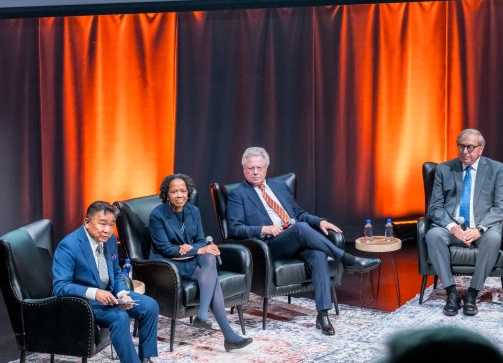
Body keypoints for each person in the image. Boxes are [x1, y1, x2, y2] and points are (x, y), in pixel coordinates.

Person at [226, 146, 380, 336]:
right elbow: (234, 229)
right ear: (244, 169)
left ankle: (323, 315)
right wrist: (263, 229)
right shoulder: (238, 194)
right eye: (251, 168)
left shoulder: (279, 186)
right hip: (269, 247)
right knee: (299, 228)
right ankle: (347, 259)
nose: (255, 172)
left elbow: (299, 214)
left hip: (295, 238)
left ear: (266, 167)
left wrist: (320, 221)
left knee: (318, 253)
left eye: (259, 167)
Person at [148, 173, 253, 351]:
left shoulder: (193, 211)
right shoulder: (157, 215)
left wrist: (195, 248)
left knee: (210, 256)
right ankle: (226, 335)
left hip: (189, 259)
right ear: (166, 194)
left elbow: (201, 239)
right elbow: (164, 248)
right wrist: (195, 249)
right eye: (174, 191)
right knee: (212, 275)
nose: (179, 195)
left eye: (183, 191)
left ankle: (204, 316)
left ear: (188, 193)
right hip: (168, 265)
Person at [53, 201, 160, 363]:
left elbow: (116, 271)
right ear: (87, 222)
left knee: (150, 306)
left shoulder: (110, 240)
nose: (108, 230)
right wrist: (94, 293)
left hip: (110, 296)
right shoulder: (69, 246)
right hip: (84, 302)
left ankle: (145, 358)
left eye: (111, 225)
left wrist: (122, 293)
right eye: (102, 224)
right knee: (120, 317)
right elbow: (60, 287)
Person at [423, 128, 503, 316]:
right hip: (452, 228)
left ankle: (472, 293)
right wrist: (452, 227)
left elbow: (500, 207)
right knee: (433, 235)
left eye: (470, 147)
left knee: (494, 238)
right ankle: (451, 292)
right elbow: (435, 208)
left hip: (481, 228)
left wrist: (480, 229)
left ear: (481, 149)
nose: (465, 151)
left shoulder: (496, 169)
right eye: (461, 146)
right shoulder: (444, 169)